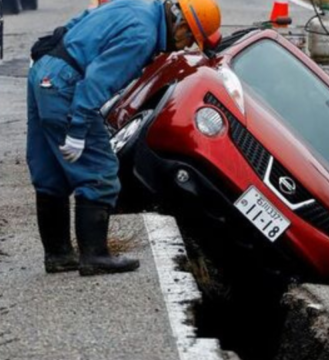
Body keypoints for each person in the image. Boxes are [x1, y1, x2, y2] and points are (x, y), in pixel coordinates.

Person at [27, 0, 221, 276]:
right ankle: (94, 256)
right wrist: (78, 129)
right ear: (179, 22)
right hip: (65, 86)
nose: (185, 45)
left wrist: (53, 44)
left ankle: (58, 254)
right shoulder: (143, 36)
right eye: (189, 37)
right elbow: (97, 80)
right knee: (100, 171)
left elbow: (85, 18)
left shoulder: (139, 6)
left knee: (49, 170)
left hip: (45, 72)